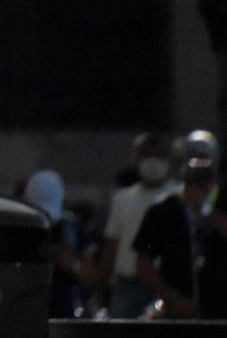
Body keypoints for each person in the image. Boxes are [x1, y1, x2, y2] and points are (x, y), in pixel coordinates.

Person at [101, 132, 182, 317]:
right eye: (146, 154)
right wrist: (102, 278)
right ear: (136, 158)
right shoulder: (123, 198)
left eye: (158, 155)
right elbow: (112, 243)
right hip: (127, 286)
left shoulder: (177, 196)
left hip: (164, 288)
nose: (152, 161)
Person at [135, 149, 218, 318]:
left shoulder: (217, 213)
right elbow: (143, 262)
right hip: (176, 307)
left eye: (207, 186)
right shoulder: (164, 210)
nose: (203, 192)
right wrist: (171, 297)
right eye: (198, 186)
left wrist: (212, 217)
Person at [23, 169, 94, 318]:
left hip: (63, 307)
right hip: (28, 305)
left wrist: (72, 264)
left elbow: (91, 276)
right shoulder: (22, 229)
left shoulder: (72, 229)